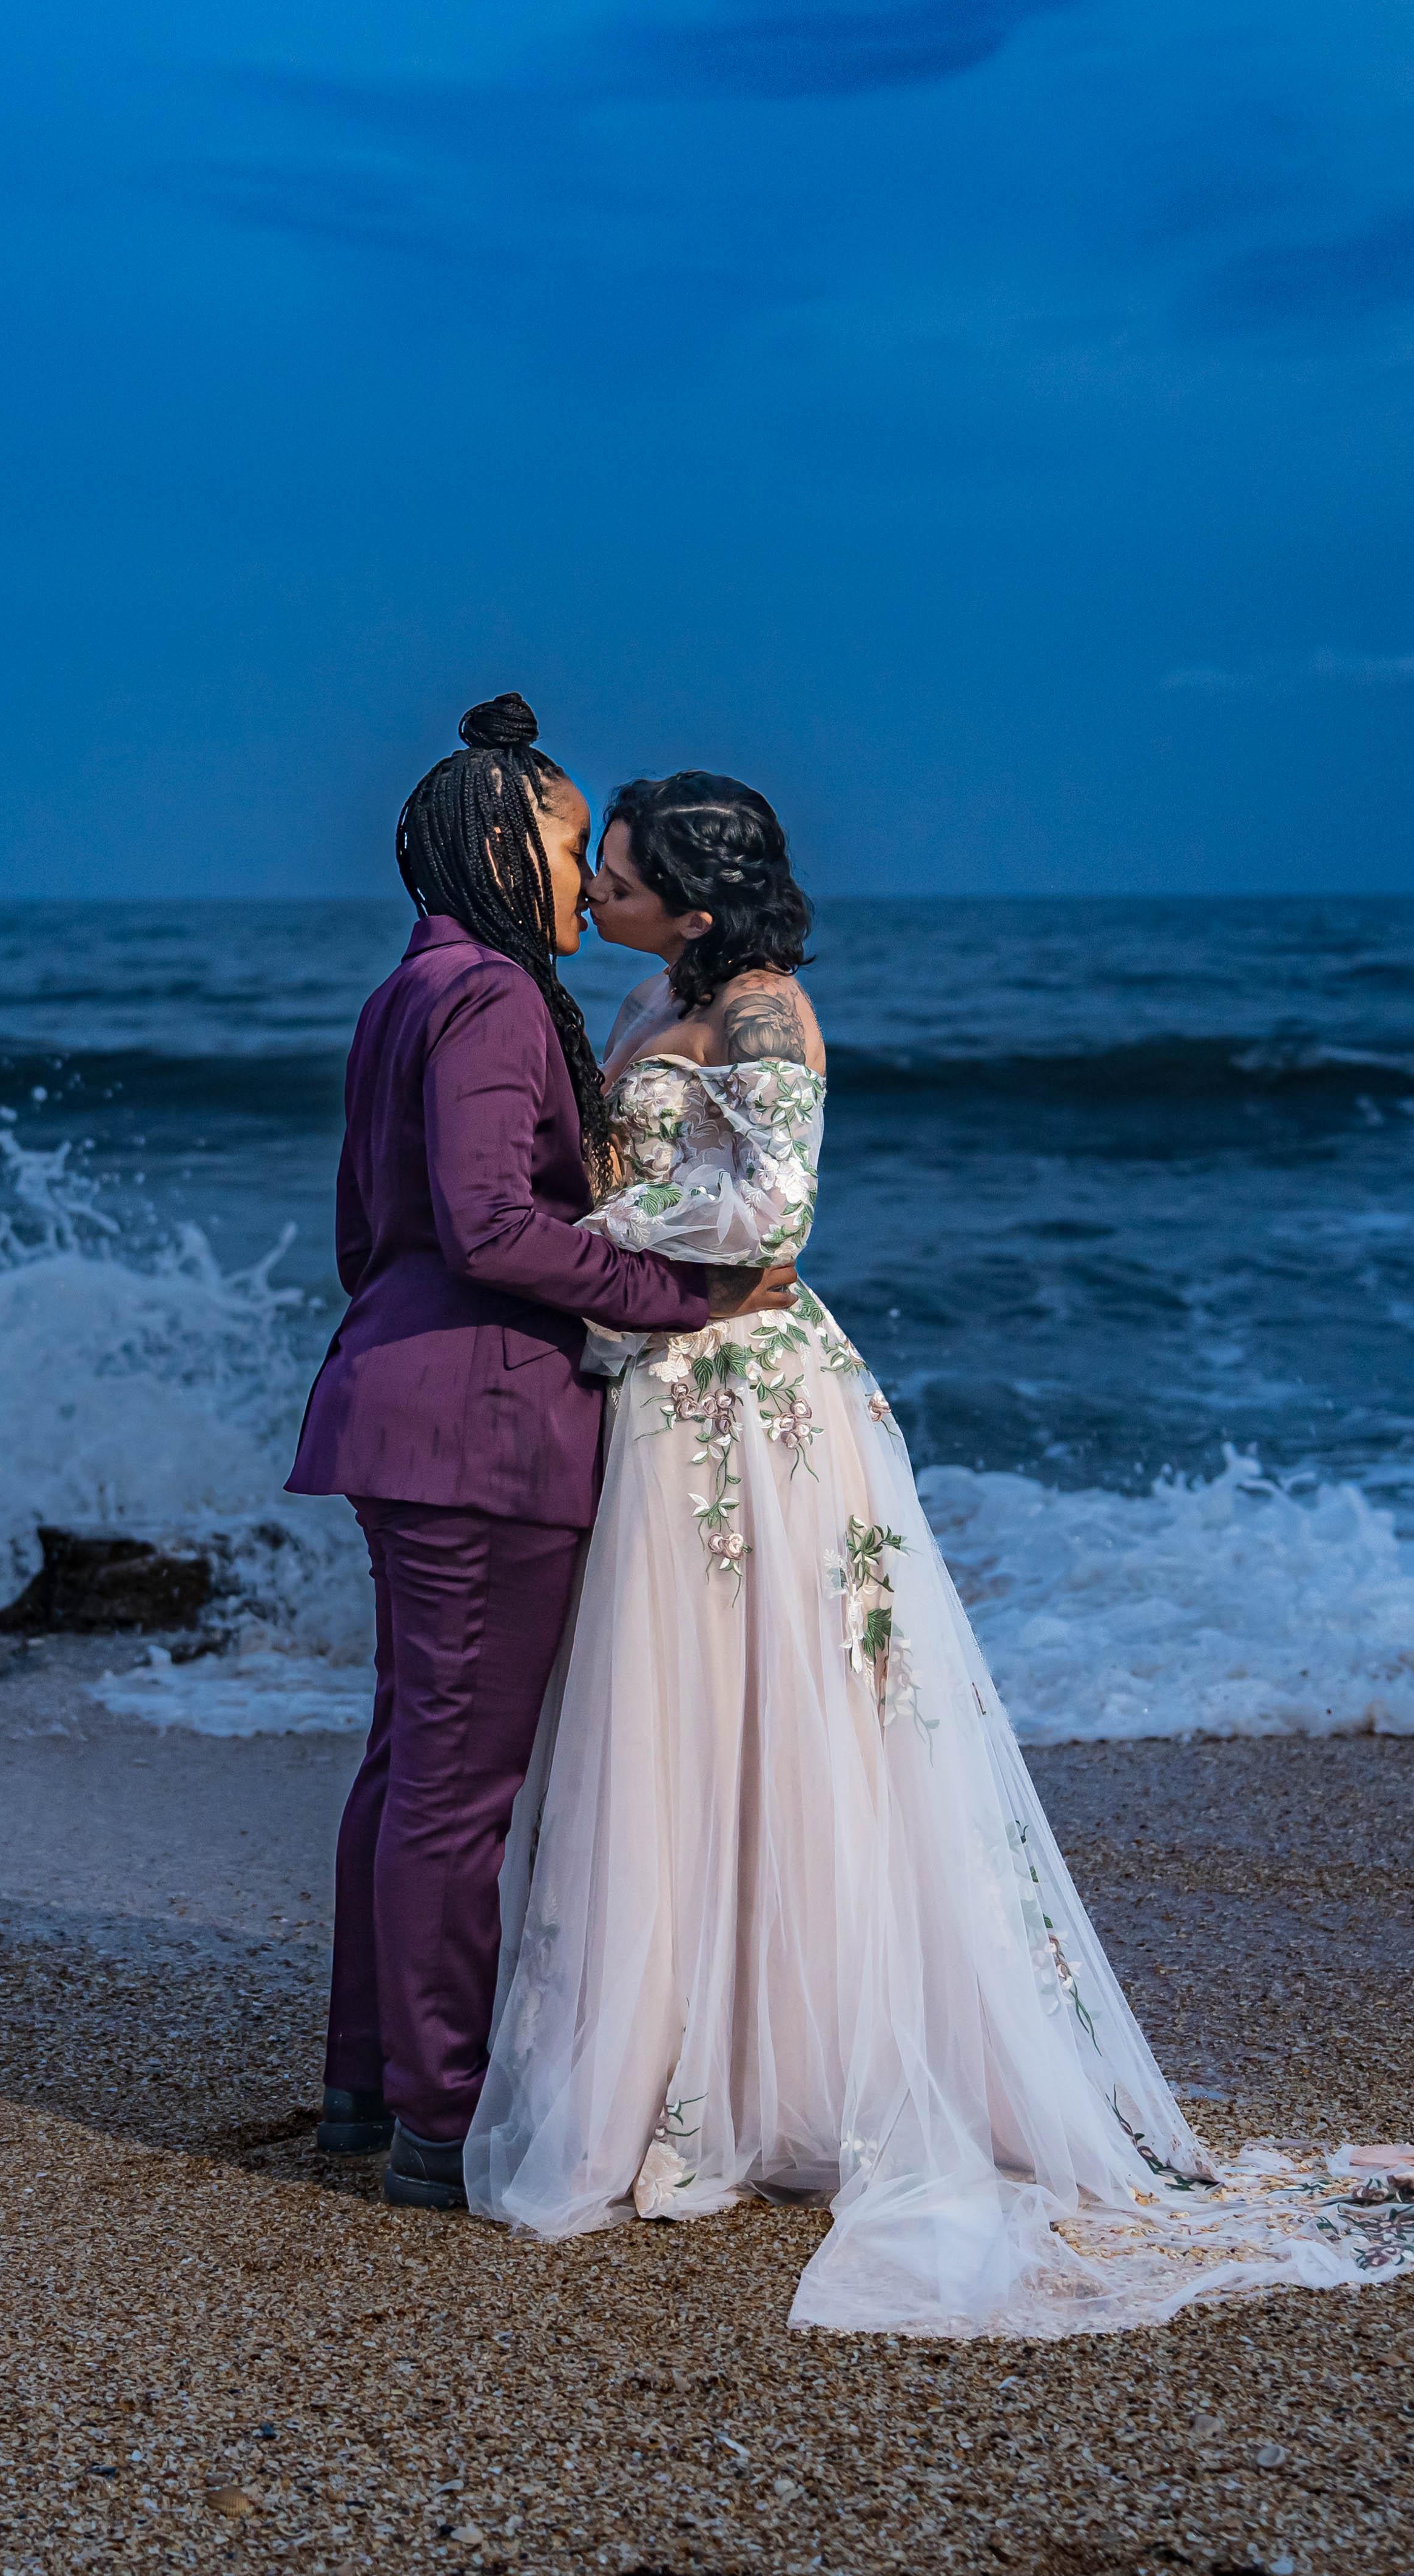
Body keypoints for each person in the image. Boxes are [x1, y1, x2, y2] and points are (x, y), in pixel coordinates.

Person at [462, 768, 1414, 2336]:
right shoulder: (652, 997)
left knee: (794, 1715)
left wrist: (586, 1248)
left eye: (621, 872)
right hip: (660, 1389)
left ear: (696, 903)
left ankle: (785, 2073)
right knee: (678, 1720)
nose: (595, 887)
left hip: (750, 1403)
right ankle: (688, 2067)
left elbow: (773, 1219)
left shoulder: (766, 1014)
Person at [285, 694, 794, 2212]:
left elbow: (366, 1230)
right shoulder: (498, 996)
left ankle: (367, 2084)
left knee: (407, 1764)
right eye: (574, 850)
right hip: (482, 1428)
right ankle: (440, 2118)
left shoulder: (410, 985)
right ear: (509, 841)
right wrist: (682, 1297)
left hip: (397, 1401)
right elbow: (491, 1225)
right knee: (457, 1790)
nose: (585, 882)